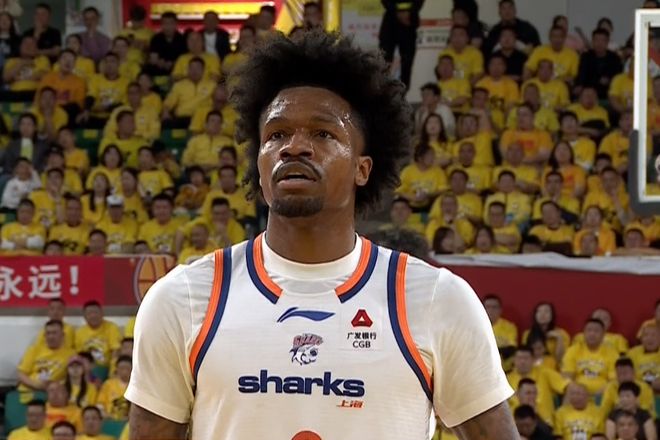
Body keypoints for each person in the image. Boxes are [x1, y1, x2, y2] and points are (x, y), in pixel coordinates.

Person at [126, 31, 517, 439]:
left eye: (323, 134)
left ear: (363, 169)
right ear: (258, 166)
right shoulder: (185, 298)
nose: (294, 147)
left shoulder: (436, 299)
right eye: (276, 135)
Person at [507, 346, 570, 425]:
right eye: (519, 358)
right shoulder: (506, 379)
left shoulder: (545, 373)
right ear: (514, 360)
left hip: (545, 421)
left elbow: (569, 387)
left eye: (526, 358)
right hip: (515, 422)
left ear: (533, 359)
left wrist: (563, 411)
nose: (522, 362)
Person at [561, 318, 619, 396]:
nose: (592, 334)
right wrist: (578, 391)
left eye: (596, 331)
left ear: (603, 335)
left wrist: (601, 392)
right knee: (569, 390)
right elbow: (567, 376)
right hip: (577, 393)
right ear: (583, 333)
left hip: (603, 394)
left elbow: (614, 380)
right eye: (589, 330)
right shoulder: (573, 350)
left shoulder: (612, 353)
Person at [378, 0, 424, 89]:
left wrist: (409, 12)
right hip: (390, 21)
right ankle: (381, 88)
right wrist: (397, 12)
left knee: (407, 63)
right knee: (384, 60)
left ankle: (403, 91)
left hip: (409, 21)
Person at [162, 57, 215, 127]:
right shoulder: (179, 85)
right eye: (192, 68)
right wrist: (165, 112)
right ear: (188, 70)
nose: (194, 71)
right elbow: (169, 102)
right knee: (166, 123)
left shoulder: (212, 85)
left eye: (197, 68)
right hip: (183, 118)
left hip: (204, 118)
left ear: (203, 70)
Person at [575, 29, 623, 100]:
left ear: (607, 42)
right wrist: (580, 85)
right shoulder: (586, 56)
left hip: (608, 91)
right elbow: (581, 75)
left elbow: (618, 77)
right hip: (589, 89)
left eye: (602, 40)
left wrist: (609, 80)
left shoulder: (615, 58)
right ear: (592, 41)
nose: (599, 43)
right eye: (596, 40)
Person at [74, 301, 122, 369]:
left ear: (102, 313)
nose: (93, 316)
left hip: (106, 367)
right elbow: (79, 355)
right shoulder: (80, 332)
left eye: (96, 312)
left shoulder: (112, 327)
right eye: (89, 313)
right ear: (84, 316)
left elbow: (115, 351)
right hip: (87, 369)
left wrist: (112, 370)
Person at [146, 11, 186, 76]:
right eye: (164, 23)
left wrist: (173, 63)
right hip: (158, 71)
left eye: (170, 23)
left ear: (176, 24)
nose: (167, 27)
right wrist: (159, 62)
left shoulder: (182, 40)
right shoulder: (156, 39)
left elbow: (185, 59)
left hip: (177, 71)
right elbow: (153, 58)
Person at [483, 295, 518, 365]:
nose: (491, 310)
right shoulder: (477, 326)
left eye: (494, 307)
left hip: (504, 367)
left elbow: (511, 349)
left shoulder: (509, 327)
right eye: (488, 307)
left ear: (500, 310)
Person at [98, 356, 132, 420]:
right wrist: (104, 414)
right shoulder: (108, 384)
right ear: (116, 369)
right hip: (109, 419)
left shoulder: (134, 386)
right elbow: (100, 404)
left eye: (127, 368)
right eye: (122, 368)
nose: (124, 371)